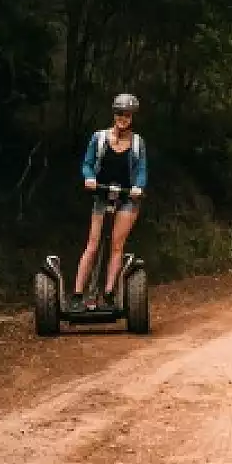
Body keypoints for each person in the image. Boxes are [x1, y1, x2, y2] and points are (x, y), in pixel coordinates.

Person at [74, 93, 147, 311]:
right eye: (119, 113)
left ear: (132, 117)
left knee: (116, 245)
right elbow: (87, 163)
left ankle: (107, 293)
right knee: (93, 244)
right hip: (101, 194)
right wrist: (88, 178)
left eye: (127, 115)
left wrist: (138, 187)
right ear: (114, 114)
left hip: (127, 198)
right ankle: (78, 294)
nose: (122, 118)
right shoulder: (99, 138)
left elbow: (142, 170)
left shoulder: (137, 143)